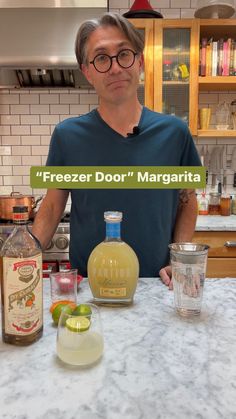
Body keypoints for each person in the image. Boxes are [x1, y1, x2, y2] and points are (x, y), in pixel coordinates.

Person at [32, 12, 201, 288]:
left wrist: (179, 257)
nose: (114, 68)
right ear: (87, 71)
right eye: (101, 58)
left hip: (156, 286)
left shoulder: (174, 133)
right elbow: (51, 208)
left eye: (124, 54)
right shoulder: (67, 136)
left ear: (140, 62)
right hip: (89, 290)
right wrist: (23, 260)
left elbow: (187, 201)